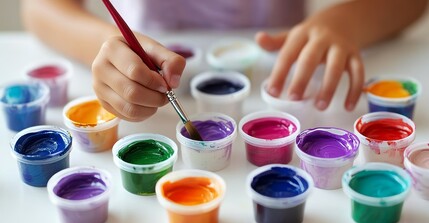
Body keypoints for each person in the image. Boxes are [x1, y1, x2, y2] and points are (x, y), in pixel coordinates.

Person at [21, 0, 428, 122]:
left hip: (281, 79)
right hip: (149, 88)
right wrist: (103, 46)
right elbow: (39, 8)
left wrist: (344, 22)